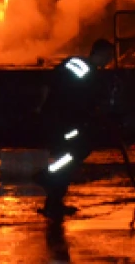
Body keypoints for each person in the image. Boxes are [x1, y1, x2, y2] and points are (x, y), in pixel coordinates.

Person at [34, 38, 115, 219]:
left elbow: (48, 83)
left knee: (66, 156)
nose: (109, 61)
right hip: (68, 122)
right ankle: (46, 177)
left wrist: (41, 108)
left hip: (55, 118)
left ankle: (53, 203)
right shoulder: (91, 75)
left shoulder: (73, 62)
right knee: (74, 154)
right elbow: (89, 103)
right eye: (108, 56)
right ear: (100, 54)